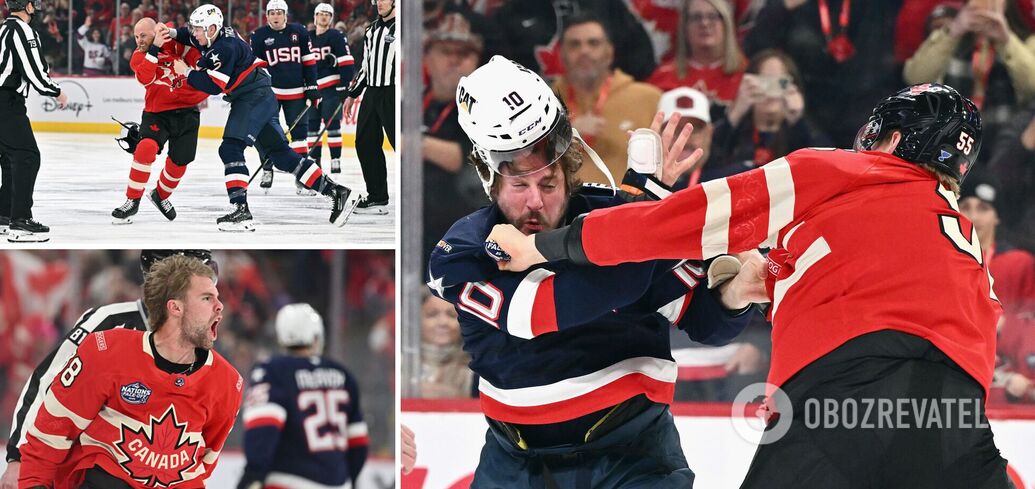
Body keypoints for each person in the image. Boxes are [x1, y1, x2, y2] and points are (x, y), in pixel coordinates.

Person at [489, 83, 1011, 487]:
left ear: (892, 139)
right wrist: (750, 286)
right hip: (952, 414)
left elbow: (677, 223)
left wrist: (547, 247)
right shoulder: (967, 243)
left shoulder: (839, 171)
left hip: (840, 398)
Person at [428, 55, 758, 488]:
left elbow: (702, 322)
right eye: (519, 186)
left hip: (634, 453)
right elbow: (551, 308)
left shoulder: (616, 211)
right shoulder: (462, 250)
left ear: (568, 175)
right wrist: (647, 210)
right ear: (490, 182)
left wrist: (737, 296)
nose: (535, 202)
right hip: (515, 462)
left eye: (548, 184)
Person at [18, 254, 242, 489]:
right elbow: (52, 429)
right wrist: (31, 480)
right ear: (175, 307)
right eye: (207, 298)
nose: (220, 306)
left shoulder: (228, 382)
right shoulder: (106, 350)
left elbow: (204, 461)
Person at [154, 4, 357, 231]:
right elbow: (188, 37)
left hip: (252, 97)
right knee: (280, 155)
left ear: (212, 29)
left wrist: (188, 72)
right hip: (260, 94)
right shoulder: (218, 33)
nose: (193, 33)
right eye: (194, 28)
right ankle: (335, 191)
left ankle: (240, 209)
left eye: (198, 29)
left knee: (230, 148)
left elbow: (213, 86)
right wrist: (172, 33)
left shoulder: (225, 48)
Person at [237, 303, 367, 489]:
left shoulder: (273, 370)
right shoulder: (342, 373)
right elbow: (358, 442)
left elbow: (263, 429)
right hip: (338, 483)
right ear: (316, 336)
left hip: (287, 480)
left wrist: (253, 474)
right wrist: (351, 480)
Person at [111, 18, 210, 224]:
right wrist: (154, 48)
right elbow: (145, 78)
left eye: (143, 35)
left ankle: (161, 196)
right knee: (145, 148)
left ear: (155, 32)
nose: (139, 40)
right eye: (136, 36)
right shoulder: (138, 56)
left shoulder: (176, 46)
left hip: (187, 113)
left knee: (180, 161)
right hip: (157, 113)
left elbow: (198, 60)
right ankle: (132, 200)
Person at [552, 14, 661, 185]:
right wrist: (565, 135)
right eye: (575, 44)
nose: (584, 51)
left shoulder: (648, 98)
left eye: (593, 43)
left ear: (609, 53)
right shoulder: (543, 101)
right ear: (561, 55)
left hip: (627, 207)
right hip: (565, 209)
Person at [421, 13, 487, 265]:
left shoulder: (485, 109)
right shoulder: (408, 104)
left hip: (459, 226)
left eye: (464, 54)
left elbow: (465, 158)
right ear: (427, 57)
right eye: (446, 51)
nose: (454, 60)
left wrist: (415, 144)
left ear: (477, 61)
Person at [0, 0, 68, 242]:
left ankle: (4, 216)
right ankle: (20, 221)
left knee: (10, 160)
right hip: (7, 102)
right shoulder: (22, 30)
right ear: (27, 6)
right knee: (27, 156)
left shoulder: (3, 28)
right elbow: (34, 72)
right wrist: (56, 90)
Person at [251, 0, 320, 193]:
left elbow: (309, 61)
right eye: (272, 13)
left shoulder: (300, 32)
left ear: (285, 14)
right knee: (264, 132)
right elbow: (255, 67)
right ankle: (267, 168)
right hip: (269, 93)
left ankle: (302, 176)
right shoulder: (258, 36)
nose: (275, 16)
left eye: (279, 12)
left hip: (297, 92)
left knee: (299, 136)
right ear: (267, 16)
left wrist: (312, 86)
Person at [343, 0, 396, 215]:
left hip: (393, 92)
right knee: (364, 143)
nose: (380, 3)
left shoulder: (404, 28)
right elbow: (366, 64)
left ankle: (418, 195)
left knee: (400, 145)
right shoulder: (371, 29)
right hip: (372, 93)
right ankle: (377, 197)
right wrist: (352, 94)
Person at [646, 0, 746, 113]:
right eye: (696, 17)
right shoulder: (662, 78)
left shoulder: (747, 75)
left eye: (712, 16)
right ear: (685, 26)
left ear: (726, 23)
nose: (704, 23)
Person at [958, 171, 1035, 313]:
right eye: (965, 207)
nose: (974, 217)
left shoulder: (1019, 263)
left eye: (983, 208)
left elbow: (1029, 320)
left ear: (997, 217)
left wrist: (1006, 325)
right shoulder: (945, 262)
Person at [307, 2, 355, 174]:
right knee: (311, 127)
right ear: (315, 17)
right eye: (321, 13)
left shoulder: (336, 36)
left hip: (331, 89)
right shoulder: (307, 37)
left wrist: (344, 85)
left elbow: (347, 61)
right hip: (313, 89)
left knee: (332, 125)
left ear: (331, 18)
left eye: (327, 14)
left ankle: (335, 159)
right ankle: (315, 160)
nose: (324, 16)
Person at [419, 292, 472, 398]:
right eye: (432, 314)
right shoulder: (401, 363)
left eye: (452, 315)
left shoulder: (476, 369)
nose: (443, 322)